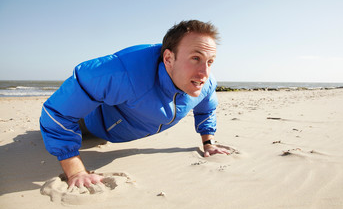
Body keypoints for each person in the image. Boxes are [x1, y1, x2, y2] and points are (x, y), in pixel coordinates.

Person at [40, 20, 230, 189]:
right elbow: (56, 113)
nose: (204, 72)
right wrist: (76, 172)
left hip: (121, 127)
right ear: (168, 59)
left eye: (210, 61)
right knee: (63, 128)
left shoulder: (206, 83)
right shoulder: (122, 73)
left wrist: (208, 143)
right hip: (90, 123)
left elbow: (207, 108)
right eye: (196, 58)